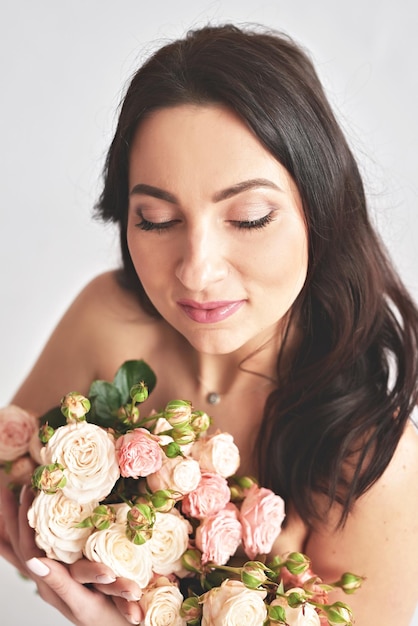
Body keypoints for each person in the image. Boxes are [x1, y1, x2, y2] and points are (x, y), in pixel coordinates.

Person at [1, 23, 418, 626]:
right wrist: (45, 544)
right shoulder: (106, 319)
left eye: (248, 219)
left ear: (320, 207)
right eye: (156, 219)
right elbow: (11, 487)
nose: (197, 272)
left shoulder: (372, 464)